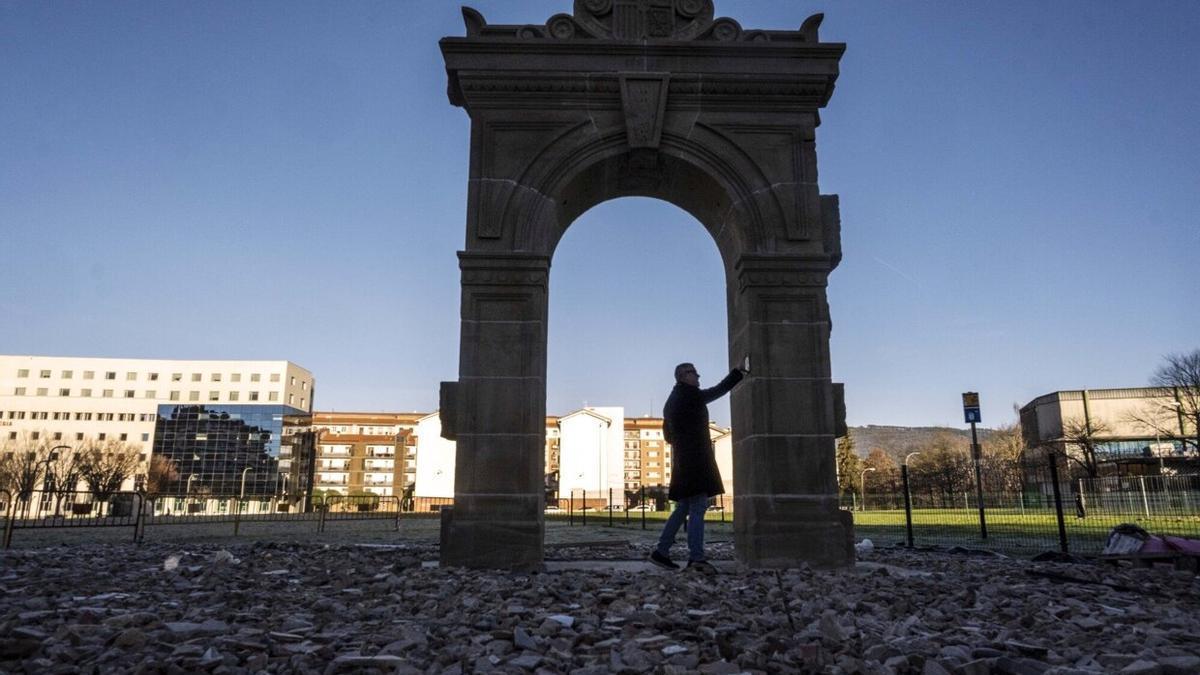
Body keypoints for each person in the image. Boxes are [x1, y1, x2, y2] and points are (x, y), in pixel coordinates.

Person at [649, 361, 746, 573]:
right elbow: (717, 391)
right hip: (696, 460)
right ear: (683, 375)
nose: (698, 377)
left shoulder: (671, 401)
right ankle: (696, 558)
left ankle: (661, 551)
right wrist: (738, 373)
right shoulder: (689, 395)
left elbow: (668, 437)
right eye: (694, 373)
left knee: (684, 507)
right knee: (698, 507)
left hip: (683, 461)